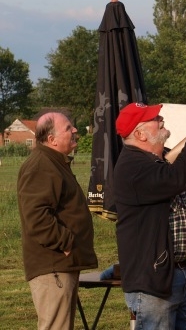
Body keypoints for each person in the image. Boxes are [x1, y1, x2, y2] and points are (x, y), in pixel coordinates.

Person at [113, 102, 186, 329]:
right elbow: (175, 179)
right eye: (153, 119)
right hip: (155, 278)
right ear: (139, 133)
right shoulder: (132, 166)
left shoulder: (164, 158)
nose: (160, 119)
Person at [17, 112, 98, 330]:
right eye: (68, 128)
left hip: (59, 265)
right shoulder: (41, 165)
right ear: (52, 140)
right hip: (53, 265)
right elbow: (36, 216)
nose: (75, 131)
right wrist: (66, 242)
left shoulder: (52, 162)